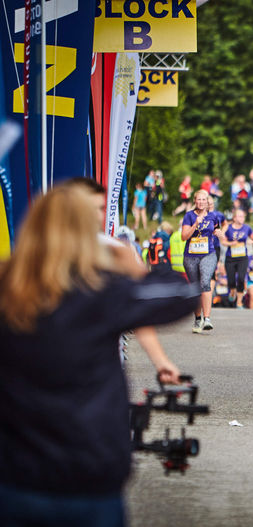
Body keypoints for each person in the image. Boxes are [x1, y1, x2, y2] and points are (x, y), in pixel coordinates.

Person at [0, 184, 198, 526]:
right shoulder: (99, 291)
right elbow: (185, 293)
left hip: (13, 474)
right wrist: (133, 263)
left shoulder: (7, 286)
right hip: (87, 473)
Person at [182, 189, 224, 333]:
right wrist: (195, 224)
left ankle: (207, 319)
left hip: (209, 254)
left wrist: (219, 234)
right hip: (191, 256)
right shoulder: (188, 216)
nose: (201, 202)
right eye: (198, 200)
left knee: (205, 282)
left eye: (203, 200)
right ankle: (198, 318)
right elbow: (184, 237)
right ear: (195, 201)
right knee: (195, 288)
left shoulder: (213, 217)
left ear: (208, 202)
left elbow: (218, 232)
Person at [222, 209, 253, 309]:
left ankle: (239, 302)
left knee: (241, 278)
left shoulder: (247, 228)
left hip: (242, 257)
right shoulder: (229, 228)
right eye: (239, 216)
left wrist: (251, 242)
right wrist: (231, 243)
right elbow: (223, 242)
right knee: (231, 280)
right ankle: (232, 290)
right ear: (234, 218)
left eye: (243, 216)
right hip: (230, 257)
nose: (242, 218)